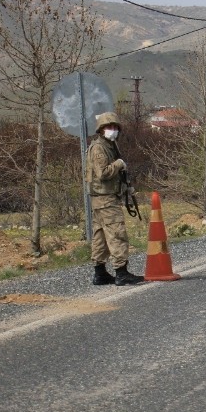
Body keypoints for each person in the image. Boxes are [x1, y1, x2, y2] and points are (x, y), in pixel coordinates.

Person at [86, 112, 144, 286]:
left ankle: (100, 273)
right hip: (105, 198)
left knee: (101, 236)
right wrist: (119, 164)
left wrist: (127, 187)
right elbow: (102, 173)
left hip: (103, 198)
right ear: (101, 129)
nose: (113, 130)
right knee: (116, 233)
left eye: (115, 127)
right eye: (109, 127)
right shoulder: (99, 148)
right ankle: (121, 272)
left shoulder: (109, 145)